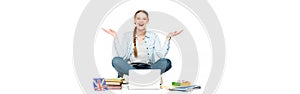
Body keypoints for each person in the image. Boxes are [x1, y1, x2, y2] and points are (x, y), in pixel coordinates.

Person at [102, 10, 183, 78]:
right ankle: (141, 78)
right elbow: (122, 56)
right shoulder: (127, 36)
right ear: (135, 20)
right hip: (131, 68)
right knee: (116, 60)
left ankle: (139, 78)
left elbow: (161, 55)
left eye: (144, 19)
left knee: (167, 62)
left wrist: (168, 38)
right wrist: (115, 38)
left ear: (147, 21)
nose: (141, 21)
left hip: (149, 68)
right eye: (138, 18)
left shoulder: (153, 36)